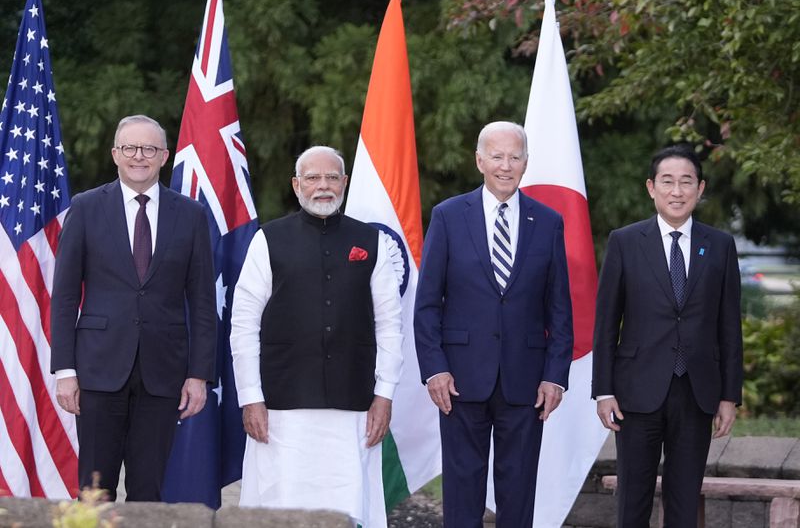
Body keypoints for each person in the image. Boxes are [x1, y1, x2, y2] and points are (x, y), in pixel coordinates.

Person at [229, 145, 403, 526]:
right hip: (281, 405)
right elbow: (243, 323)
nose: (322, 186)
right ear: (296, 185)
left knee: (348, 505)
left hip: (353, 404)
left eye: (331, 177)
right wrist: (251, 397)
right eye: (312, 178)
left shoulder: (371, 242)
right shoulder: (268, 240)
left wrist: (384, 394)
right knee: (281, 505)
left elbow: (390, 323)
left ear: (344, 182)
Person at [414, 121, 573, 527]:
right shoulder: (448, 216)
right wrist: (434, 368)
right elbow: (428, 303)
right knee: (462, 492)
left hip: (526, 381)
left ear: (525, 162)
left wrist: (555, 376)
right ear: (479, 161)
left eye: (515, 156)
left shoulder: (548, 222)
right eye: (497, 156)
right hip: (459, 381)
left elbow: (559, 309)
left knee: (518, 492)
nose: (506, 165)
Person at [50, 115, 217, 501]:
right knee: (94, 491)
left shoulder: (190, 215)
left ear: (164, 156)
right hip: (97, 371)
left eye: (148, 149)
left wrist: (198, 375)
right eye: (129, 148)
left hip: (163, 374)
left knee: (148, 490)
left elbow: (204, 302)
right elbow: (65, 296)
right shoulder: (87, 207)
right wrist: (66, 370)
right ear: (115, 154)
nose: (138, 156)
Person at [592, 145, 743, 527]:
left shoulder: (721, 246)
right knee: (633, 499)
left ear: (700, 187)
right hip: (636, 392)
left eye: (686, 182)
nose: (677, 191)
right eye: (668, 182)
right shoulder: (625, 242)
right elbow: (607, 322)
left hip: (697, 391)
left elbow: (729, 326)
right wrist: (604, 389)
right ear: (651, 187)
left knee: (684, 499)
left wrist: (729, 395)